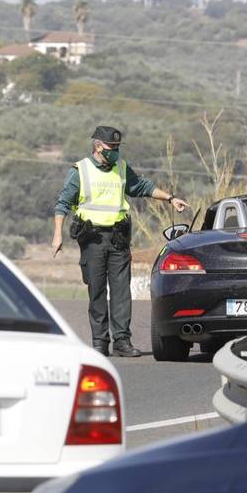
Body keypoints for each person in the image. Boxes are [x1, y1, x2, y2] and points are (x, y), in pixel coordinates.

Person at [52, 126, 190, 357]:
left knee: (121, 292)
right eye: (111, 147)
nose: (115, 151)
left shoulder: (122, 168)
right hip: (92, 239)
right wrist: (57, 235)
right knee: (96, 291)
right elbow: (63, 203)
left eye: (117, 147)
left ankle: (122, 341)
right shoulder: (80, 170)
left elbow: (142, 187)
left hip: (118, 239)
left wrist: (170, 198)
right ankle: (99, 342)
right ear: (98, 146)